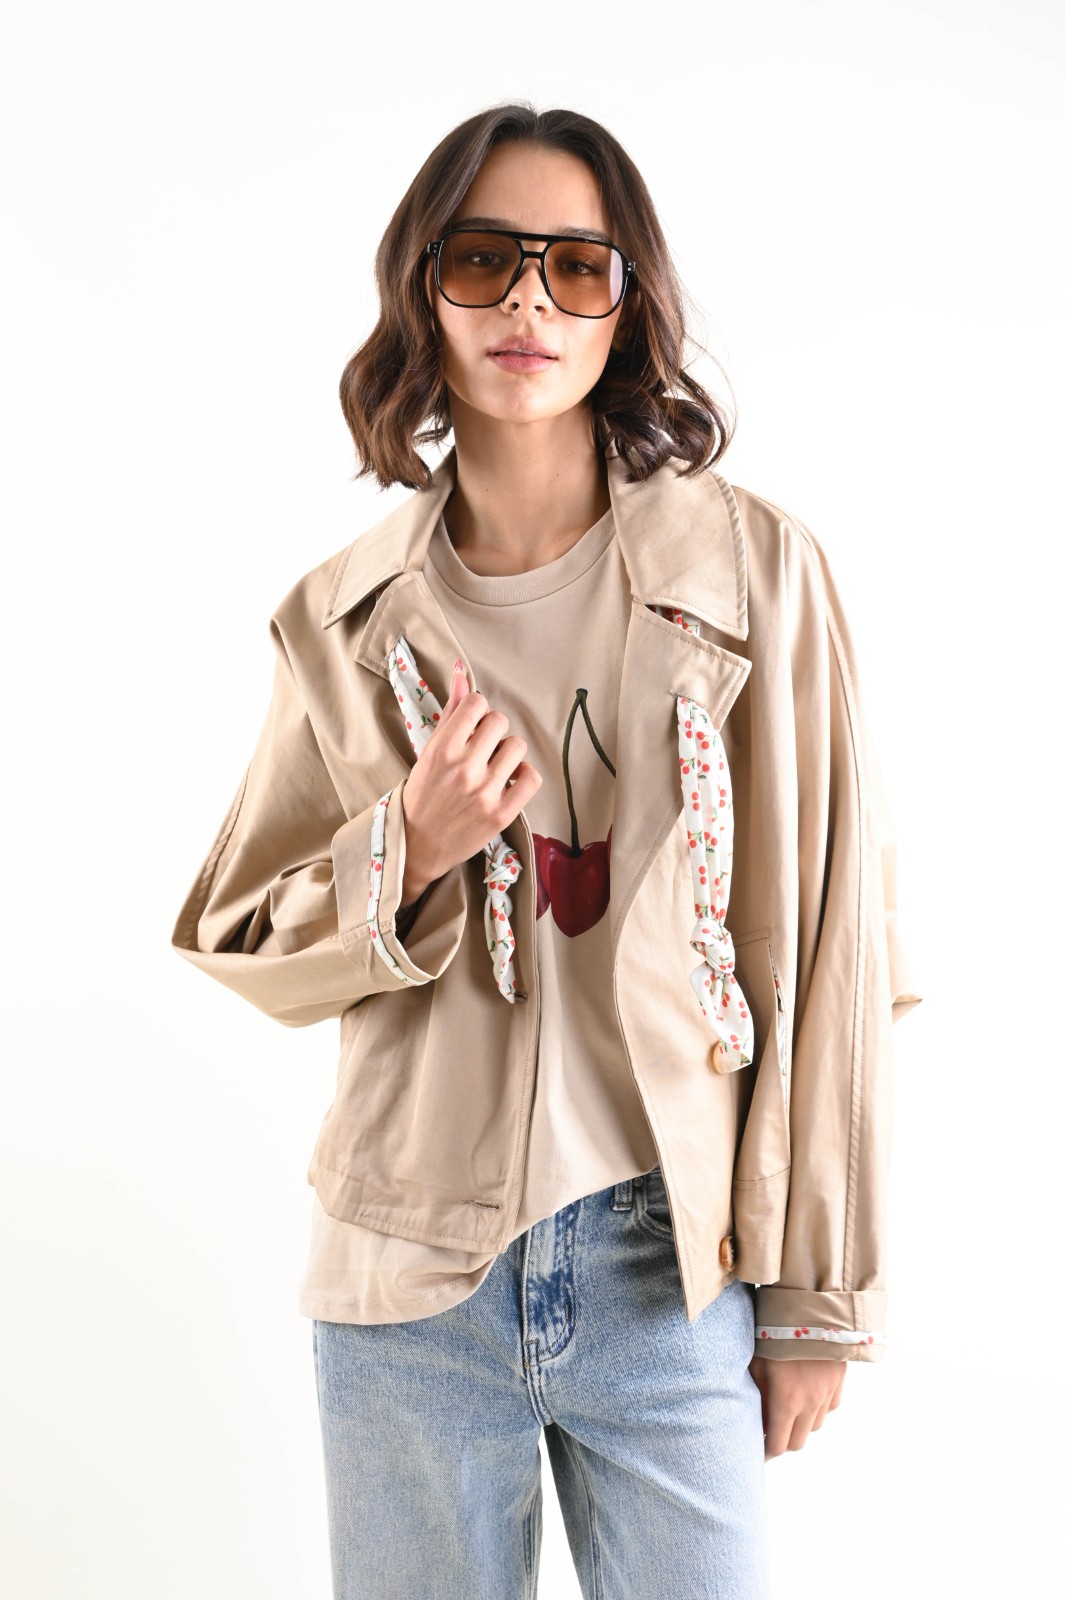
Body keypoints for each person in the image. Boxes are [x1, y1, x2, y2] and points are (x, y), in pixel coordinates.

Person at [171, 103, 922, 1600]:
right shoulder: (341, 615)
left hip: (670, 1263)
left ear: (625, 305)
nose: (528, 301)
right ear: (425, 292)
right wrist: (407, 847)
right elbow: (240, 931)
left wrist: (817, 1295)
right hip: (405, 1288)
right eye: (484, 260)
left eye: (576, 267)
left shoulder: (754, 571)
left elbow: (833, 936)